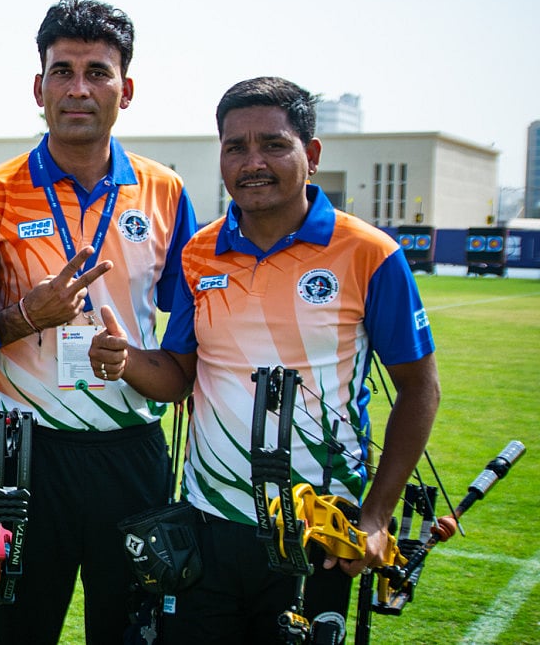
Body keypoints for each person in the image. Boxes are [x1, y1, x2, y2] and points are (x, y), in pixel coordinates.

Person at [88, 76, 441, 642]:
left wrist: (375, 515)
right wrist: (124, 359)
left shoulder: (372, 253)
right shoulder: (198, 254)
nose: (253, 161)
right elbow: (179, 376)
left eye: (274, 144)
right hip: (209, 524)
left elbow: (420, 389)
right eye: (236, 147)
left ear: (312, 154)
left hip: (319, 531)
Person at [0, 0, 198, 645]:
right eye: (63, 71)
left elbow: (193, 332)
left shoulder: (165, 191)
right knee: (19, 632)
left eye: (97, 72)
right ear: (39, 85)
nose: (78, 88)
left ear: (127, 88)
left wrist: (137, 363)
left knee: (129, 634)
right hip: (23, 456)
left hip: (132, 451)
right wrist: (28, 313)